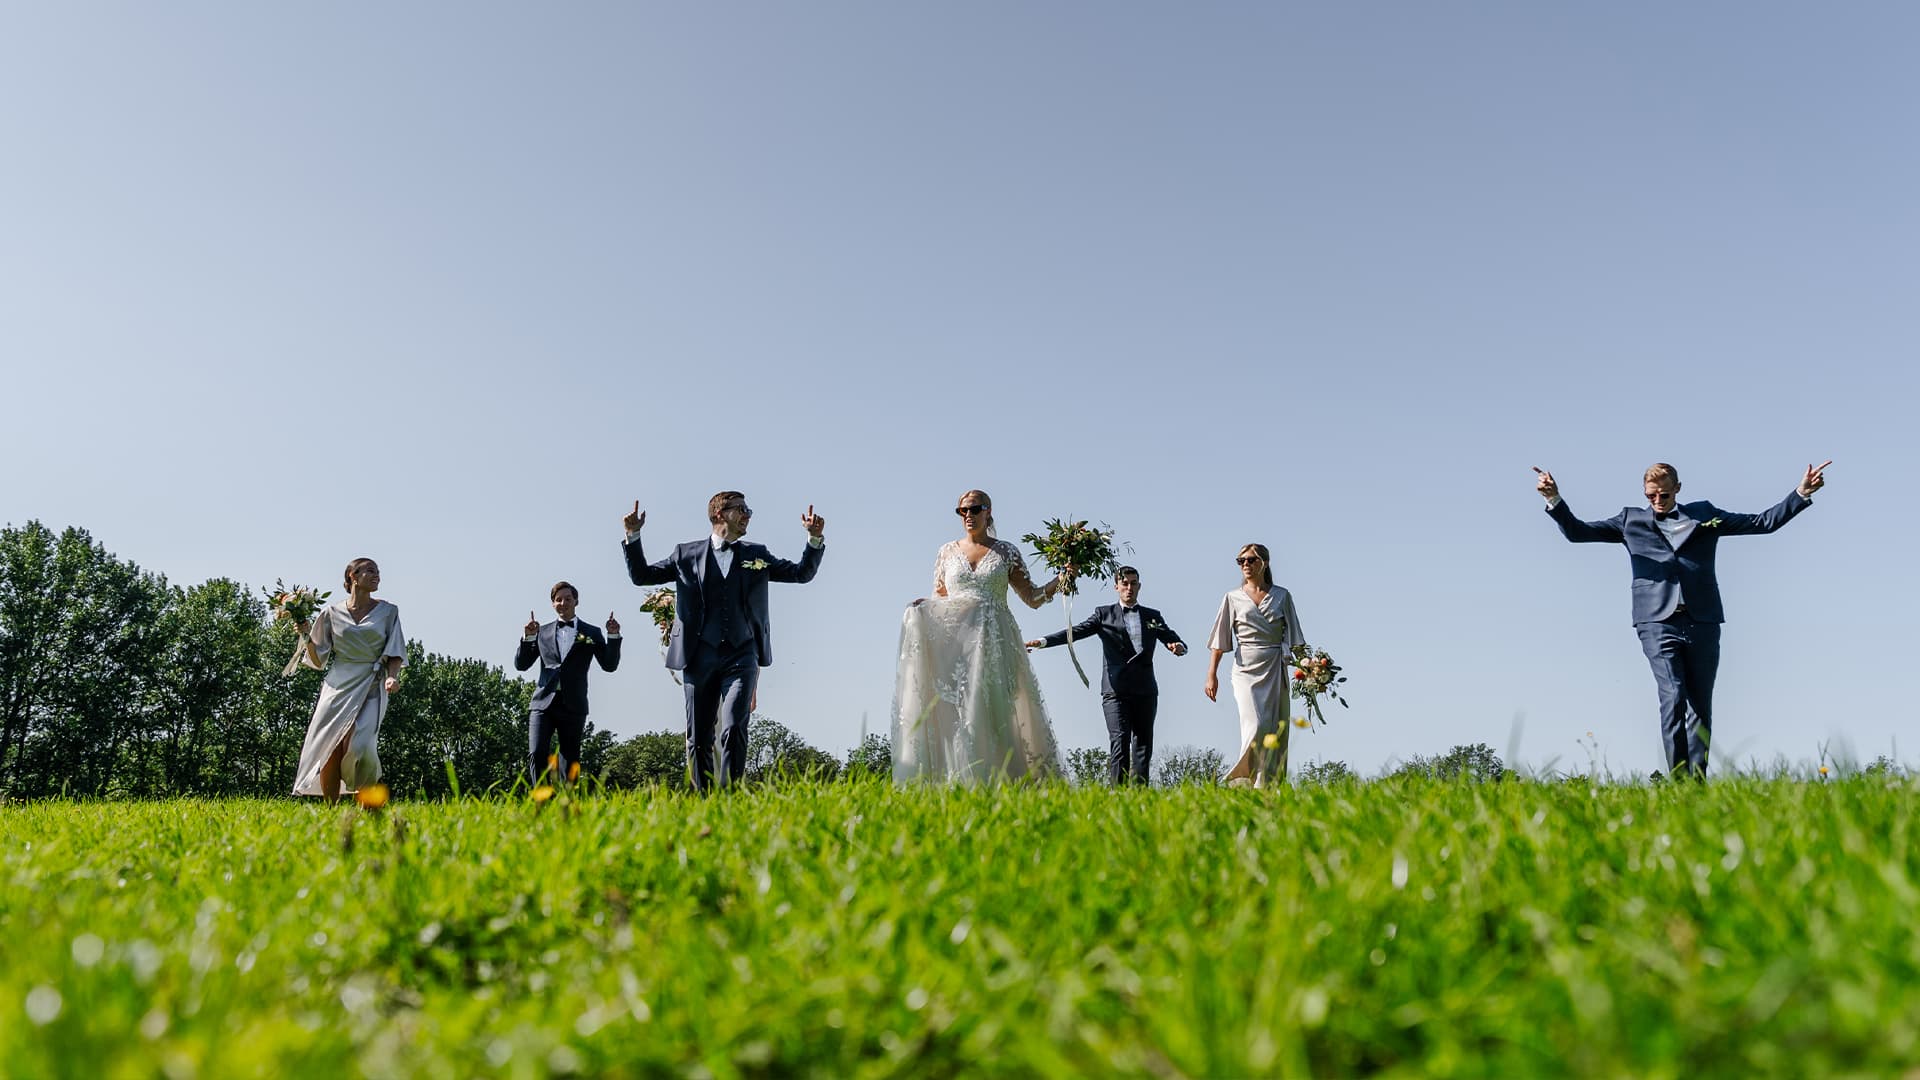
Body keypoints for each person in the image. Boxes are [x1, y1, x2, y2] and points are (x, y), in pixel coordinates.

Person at [1535, 460, 1829, 777]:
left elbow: (1762, 523)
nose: (1658, 502)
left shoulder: (1705, 515)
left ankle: (1696, 783)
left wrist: (1801, 493)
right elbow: (1578, 533)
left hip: (1703, 620)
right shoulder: (1629, 521)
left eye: (1663, 495)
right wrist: (1554, 499)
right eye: (1651, 496)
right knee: (1673, 694)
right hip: (1656, 623)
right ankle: (1678, 778)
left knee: (1700, 705)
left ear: (1677, 489)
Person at [622, 492, 825, 792]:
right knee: (699, 736)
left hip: (742, 654)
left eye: (748, 510)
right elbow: (642, 576)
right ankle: (703, 801)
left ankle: (730, 798)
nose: (748, 515)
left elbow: (800, 574)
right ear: (719, 514)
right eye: (741, 509)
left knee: (733, 725)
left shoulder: (758, 554)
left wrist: (814, 540)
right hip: (698, 655)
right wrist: (633, 534)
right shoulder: (685, 554)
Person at [892, 489, 1069, 783]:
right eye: (962, 511)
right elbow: (941, 600)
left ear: (988, 512)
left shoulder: (1006, 552)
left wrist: (1060, 581)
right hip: (957, 644)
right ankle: (963, 781)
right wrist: (924, 607)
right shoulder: (946, 552)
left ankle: (1009, 783)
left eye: (974, 509)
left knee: (997, 711)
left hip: (996, 640)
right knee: (961, 714)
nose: (968, 516)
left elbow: (1033, 597)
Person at [1026, 565, 1187, 784]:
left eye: (1133, 583)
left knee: (1143, 744)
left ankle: (1140, 796)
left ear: (1139, 586)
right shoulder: (1104, 614)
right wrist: (1043, 642)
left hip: (1145, 690)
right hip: (1115, 690)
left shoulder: (1152, 616)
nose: (1129, 588)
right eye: (1125, 583)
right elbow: (1077, 632)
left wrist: (1177, 646)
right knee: (1119, 740)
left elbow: (1173, 638)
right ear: (1117, 587)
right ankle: (1117, 793)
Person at [291, 558, 406, 801]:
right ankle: (331, 810)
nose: (377, 576)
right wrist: (305, 634)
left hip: (372, 683)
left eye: (378, 572)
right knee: (330, 746)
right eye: (370, 571)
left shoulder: (388, 612)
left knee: (361, 745)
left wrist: (392, 677)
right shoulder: (331, 613)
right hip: (338, 684)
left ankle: (368, 801)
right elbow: (317, 659)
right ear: (353, 576)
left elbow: (395, 651)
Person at [1203, 543, 1305, 788]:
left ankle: (1265, 787)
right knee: (1256, 725)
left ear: (1265, 563)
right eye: (1241, 561)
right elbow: (1220, 640)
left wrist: (1310, 669)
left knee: (1274, 728)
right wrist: (1211, 674)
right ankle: (1236, 780)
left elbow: (1296, 638)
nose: (1245, 565)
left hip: (1274, 665)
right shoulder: (1232, 597)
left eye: (1251, 560)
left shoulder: (1282, 596)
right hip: (1245, 668)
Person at [514, 581, 622, 786]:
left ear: (576, 601)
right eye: (558, 600)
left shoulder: (591, 632)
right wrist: (528, 638)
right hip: (542, 703)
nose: (563, 603)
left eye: (568, 599)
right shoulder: (541, 632)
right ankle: (542, 800)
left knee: (569, 758)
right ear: (553, 604)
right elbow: (521, 665)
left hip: (574, 703)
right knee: (536, 753)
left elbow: (609, 665)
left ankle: (568, 804)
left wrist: (613, 636)